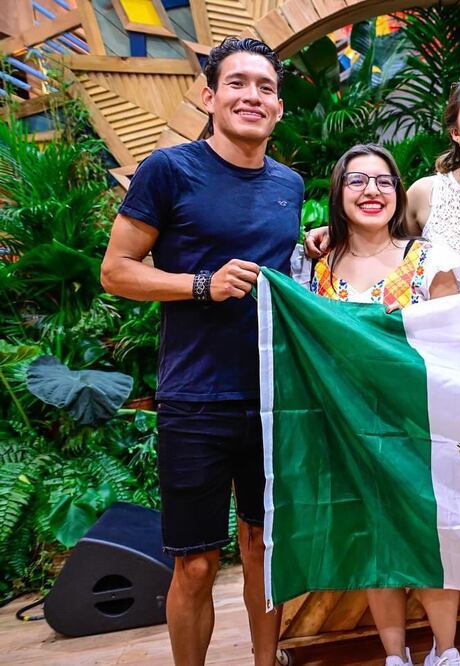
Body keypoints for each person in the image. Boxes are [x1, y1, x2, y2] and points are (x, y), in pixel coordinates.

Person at [305, 76, 460, 666]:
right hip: (429, 382)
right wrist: (325, 238)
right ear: (455, 126)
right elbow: (387, 243)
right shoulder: (423, 193)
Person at [100, 38, 302, 666]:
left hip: (272, 396)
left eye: (265, 87)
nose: (252, 96)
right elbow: (116, 271)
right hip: (195, 398)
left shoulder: (288, 184)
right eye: (238, 84)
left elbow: (277, 264)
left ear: (278, 107)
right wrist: (199, 285)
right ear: (211, 96)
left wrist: (312, 248)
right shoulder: (169, 169)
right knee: (194, 563)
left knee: (265, 549)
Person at [309, 144, 460, 666]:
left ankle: (447, 651)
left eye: (383, 182)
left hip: (419, 426)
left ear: (398, 192)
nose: (371, 192)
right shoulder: (318, 268)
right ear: (338, 192)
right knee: (374, 544)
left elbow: (455, 344)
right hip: (349, 429)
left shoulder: (429, 259)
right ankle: (395, 656)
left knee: (426, 541)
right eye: (357, 181)